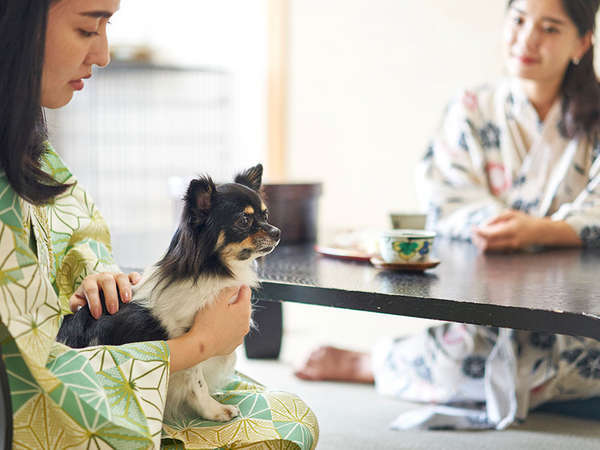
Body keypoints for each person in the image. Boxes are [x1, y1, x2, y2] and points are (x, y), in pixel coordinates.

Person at [0, 1, 318, 448]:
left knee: (293, 413)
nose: (104, 54)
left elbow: (73, 234)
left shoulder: (30, 148)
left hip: (105, 349)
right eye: (88, 29)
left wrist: (96, 274)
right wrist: (200, 345)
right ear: (16, 24)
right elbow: (27, 380)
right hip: (60, 397)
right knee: (283, 430)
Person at [295, 0, 600, 430]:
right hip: (497, 299)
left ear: (581, 43)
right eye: (518, 20)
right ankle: (377, 363)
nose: (527, 39)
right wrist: (501, 227)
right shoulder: (473, 107)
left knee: (558, 357)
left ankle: (389, 365)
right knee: (472, 352)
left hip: (579, 305)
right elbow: (445, 190)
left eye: (550, 28)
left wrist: (541, 230)